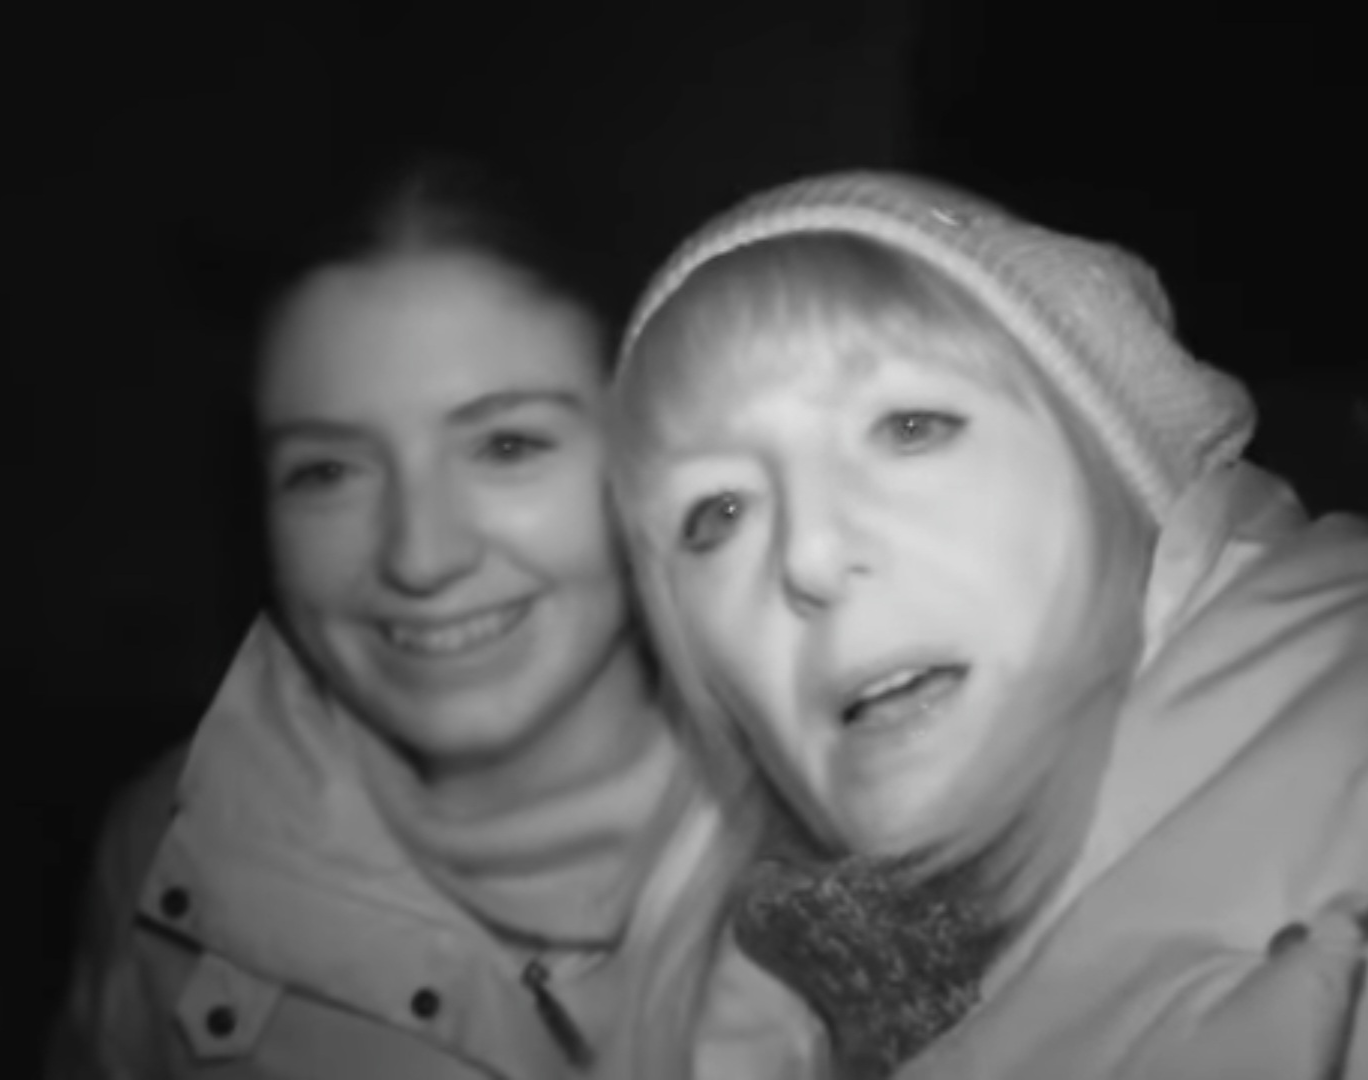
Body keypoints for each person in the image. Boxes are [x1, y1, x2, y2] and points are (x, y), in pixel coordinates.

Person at [605, 171, 1368, 1080]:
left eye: (910, 425)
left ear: (1117, 474)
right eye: (716, 514)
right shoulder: (765, 1013)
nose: (805, 554)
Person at [48, 160, 819, 1080]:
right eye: (327, 470)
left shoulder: (864, 830)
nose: (419, 556)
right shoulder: (170, 846)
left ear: (654, 448)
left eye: (507, 445)